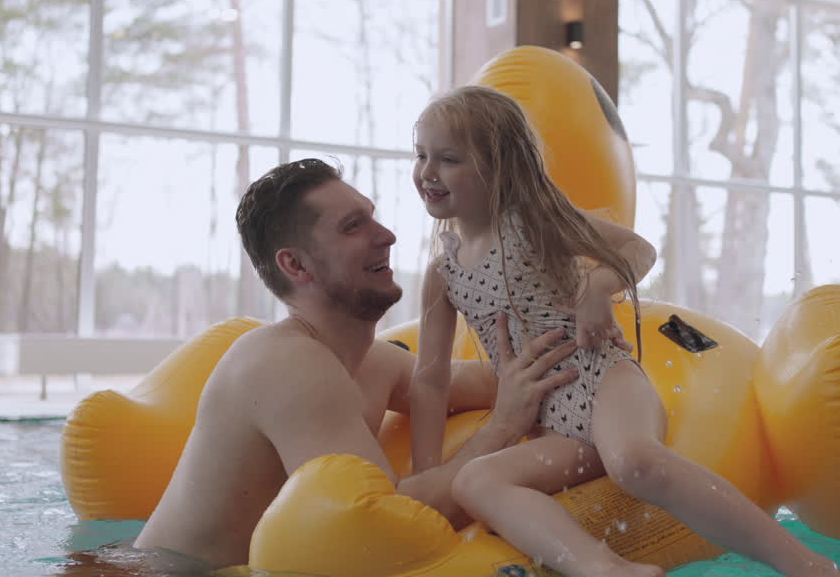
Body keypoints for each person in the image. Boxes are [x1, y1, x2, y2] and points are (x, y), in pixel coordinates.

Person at [408, 86, 840, 577]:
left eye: (448, 159)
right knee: (474, 482)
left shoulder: (534, 225)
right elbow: (430, 378)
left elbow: (638, 251)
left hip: (604, 382)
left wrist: (597, 287)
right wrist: (426, 472)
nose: (427, 172)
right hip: (552, 424)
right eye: (421, 154)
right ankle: (606, 569)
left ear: (500, 166)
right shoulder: (442, 275)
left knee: (634, 462)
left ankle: (807, 565)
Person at [132, 158, 583, 569]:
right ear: (296, 265)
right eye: (353, 227)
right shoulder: (288, 365)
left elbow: (500, 380)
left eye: (372, 216)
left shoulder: (370, 361)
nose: (386, 235)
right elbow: (379, 524)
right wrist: (502, 426)